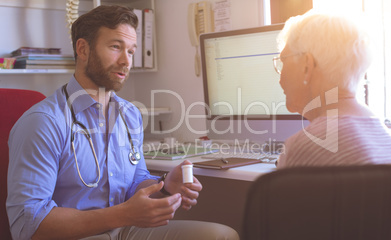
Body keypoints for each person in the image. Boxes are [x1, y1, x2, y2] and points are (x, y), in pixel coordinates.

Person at [6, 5, 239, 240]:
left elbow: (134, 182)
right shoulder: (43, 123)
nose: (126, 61)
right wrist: (122, 215)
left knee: (221, 236)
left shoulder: (130, 115)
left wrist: (165, 186)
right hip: (77, 235)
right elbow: (29, 227)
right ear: (83, 49)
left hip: (123, 230)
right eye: (116, 47)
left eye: (131, 51)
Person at [274, 10, 391, 168]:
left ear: (307, 66)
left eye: (283, 62)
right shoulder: (389, 143)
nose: (280, 78)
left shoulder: (303, 148)